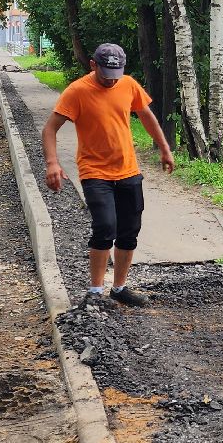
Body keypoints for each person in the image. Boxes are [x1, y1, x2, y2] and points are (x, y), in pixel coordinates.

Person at [41, 43, 174, 308]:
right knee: (104, 228)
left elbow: (146, 116)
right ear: (93, 65)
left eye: (116, 73)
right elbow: (49, 129)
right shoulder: (77, 91)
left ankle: (119, 288)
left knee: (129, 231)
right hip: (95, 172)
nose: (112, 80)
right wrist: (52, 163)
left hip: (128, 170)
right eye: (105, 74)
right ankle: (94, 291)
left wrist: (164, 148)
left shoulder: (128, 84)